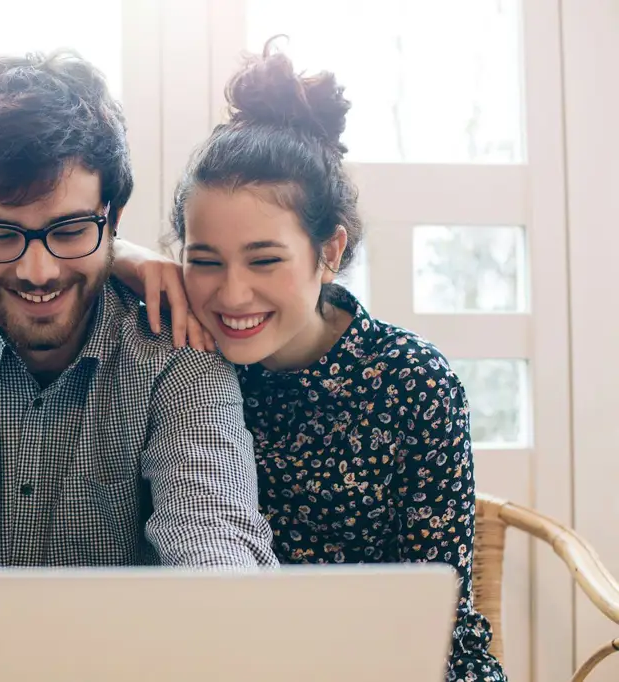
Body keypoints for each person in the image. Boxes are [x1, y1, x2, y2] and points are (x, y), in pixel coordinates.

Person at [0, 50, 279, 680]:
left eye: (69, 229)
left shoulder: (174, 348)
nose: (37, 272)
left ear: (113, 218)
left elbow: (217, 554)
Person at [112, 39, 507, 682]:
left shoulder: (413, 383)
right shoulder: (180, 351)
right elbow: (64, 248)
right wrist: (125, 258)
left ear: (330, 250)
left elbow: (444, 625)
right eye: (204, 260)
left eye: (265, 260)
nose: (232, 295)